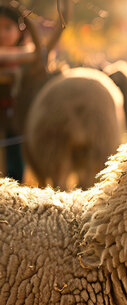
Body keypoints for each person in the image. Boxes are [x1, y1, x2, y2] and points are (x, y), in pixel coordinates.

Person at [0, 4, 25, 182]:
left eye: (7, 28)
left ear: (20, 30)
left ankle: (16, 185)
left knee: (14, 152)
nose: (2, 34)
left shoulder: (27, 56)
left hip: (16, 117)